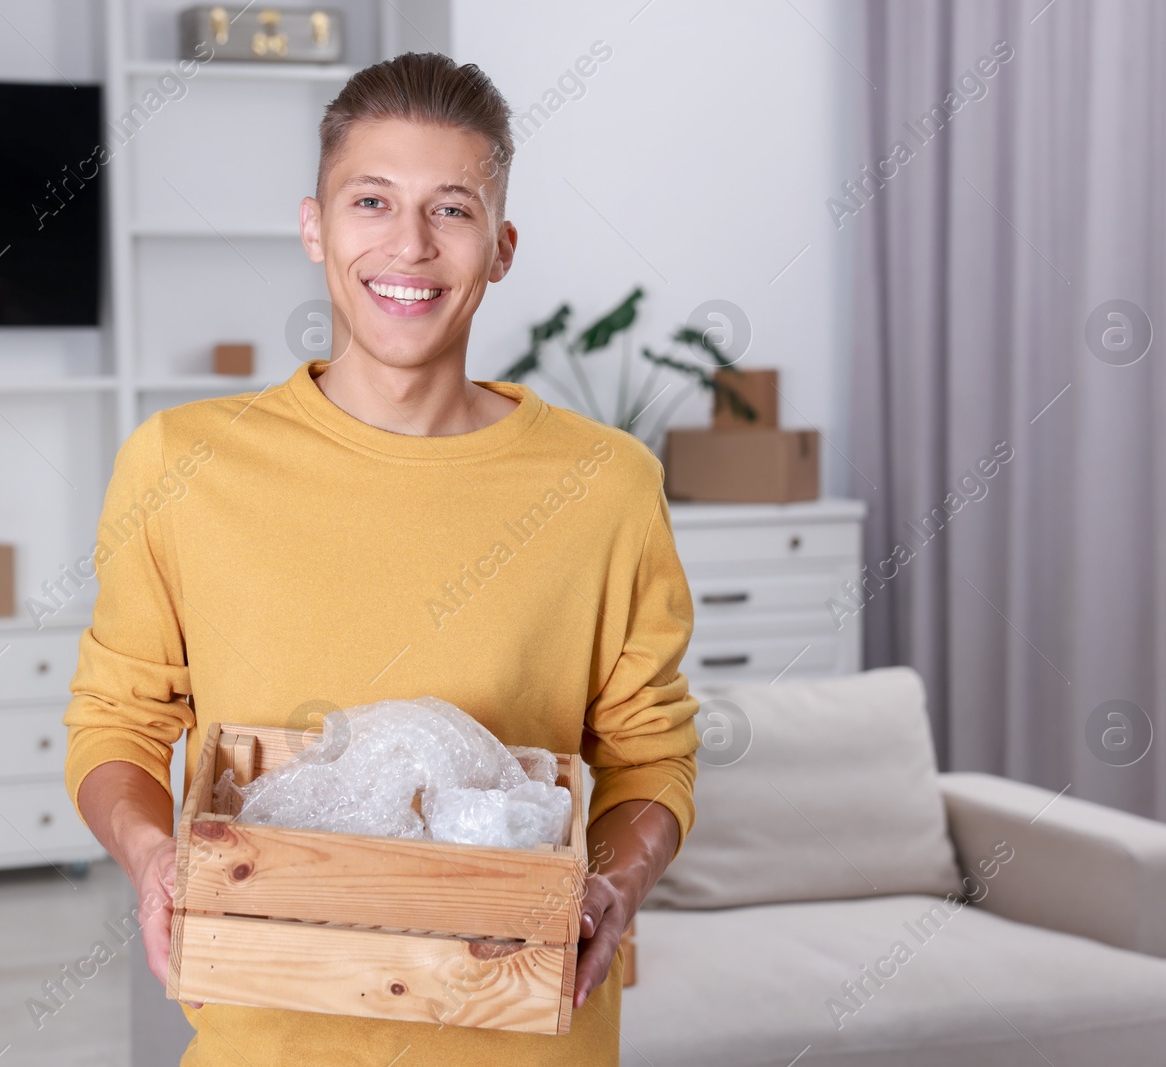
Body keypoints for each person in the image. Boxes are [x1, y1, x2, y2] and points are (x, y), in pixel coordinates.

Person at [63, 51, 698, 1066]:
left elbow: (648, 754)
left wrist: (614, 882)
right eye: (371, 200)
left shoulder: (606, 485)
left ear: (500, 247)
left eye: (451, 209)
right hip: (265, 1042)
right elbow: (116, 723)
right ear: (314, 224)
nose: (408, 244)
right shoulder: (181, 464)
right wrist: (152, 854)